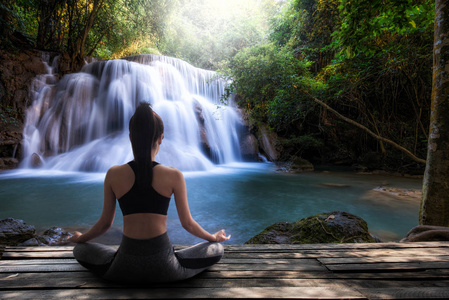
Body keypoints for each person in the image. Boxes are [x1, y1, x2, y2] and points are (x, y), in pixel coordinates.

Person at [68, 102, 230, 283]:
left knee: (79, 249)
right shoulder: (174, 175)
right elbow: (188, 224)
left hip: (123, 268)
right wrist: (212, 237)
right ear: (161, 138)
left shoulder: (113, 174)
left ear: (130, 137)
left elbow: (105, 223)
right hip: (166, 267)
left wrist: (82, 238)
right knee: (217, 249)